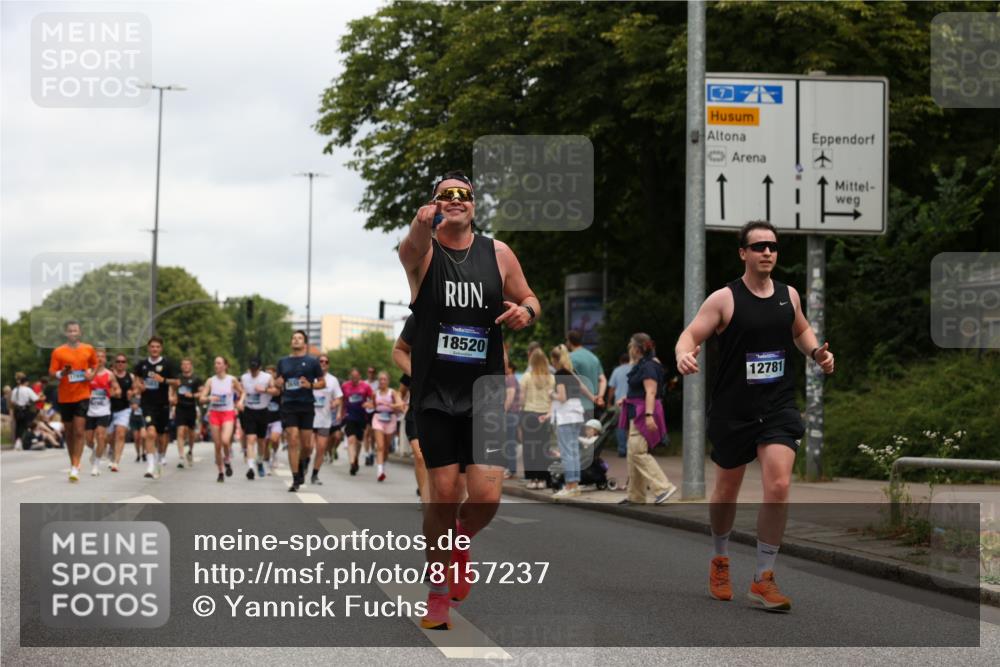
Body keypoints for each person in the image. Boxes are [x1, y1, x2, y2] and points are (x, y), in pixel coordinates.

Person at [400, 170, 539, 630]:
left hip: (486, 391)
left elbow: (529, 296)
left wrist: (527, 311)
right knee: (441, 494)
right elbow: (408, 251)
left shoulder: (497, 253)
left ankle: (460, 539)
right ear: (435, 203)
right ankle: (438, 592)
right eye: (446, 195)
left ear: (475, 204)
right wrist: (423, 223)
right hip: (437, 393)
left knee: (487, 497)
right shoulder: (423, 252)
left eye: (463, 195)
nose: (455, 200)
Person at [675, 220, 835, 612]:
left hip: (777, 406)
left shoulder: (789, 296)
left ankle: (764, 578)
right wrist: (683, 352)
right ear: (743, 253)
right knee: (726, 490)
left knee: (778, 486)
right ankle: (720, 559)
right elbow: (690, 334)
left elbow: (800, 332)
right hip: (734, 410)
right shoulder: (724, 299)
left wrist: (816, 353)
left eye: (773, 247)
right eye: (759, 246)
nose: (767, 252)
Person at [619, 333, 676, 505]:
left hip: (643, 412)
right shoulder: (645, 364)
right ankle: (636, 496)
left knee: (637, 451)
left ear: (637, 348)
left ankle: (663, 487)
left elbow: (651, 391)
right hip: (637, 410)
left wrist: (649, 416)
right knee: (633, 453)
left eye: (630, 346)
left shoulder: (649, 366)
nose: (629, 349)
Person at [48, 320, 98, 482]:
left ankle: (76, 466)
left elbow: (95, 364)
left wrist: (91, 373)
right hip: (65, 396)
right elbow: (51, 372)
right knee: (69, 432)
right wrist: (61, 373)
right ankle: (73, 462)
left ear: (80, 332)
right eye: (70, 331)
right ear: (66, 333)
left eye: (75, 331)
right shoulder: (58, 352)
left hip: (83, 395)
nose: (73, 334)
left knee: (78, 431)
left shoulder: (88, 349)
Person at [275, 330, 325, 492]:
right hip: (289, 405)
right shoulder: (283, 362)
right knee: (293, 439)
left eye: (299, 338)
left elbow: (322, 383)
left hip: (306, 406)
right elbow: (277, 382)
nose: (296, 341)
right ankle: (296, 477)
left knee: (307, 446)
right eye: (294, 338)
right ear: (291, 342)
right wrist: (278, 382)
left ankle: (304, 462)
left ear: (304, 343)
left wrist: (309, 385)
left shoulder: (312, 362)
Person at [549, 344, 597, 499]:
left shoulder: (560, 374)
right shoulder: (572, 372)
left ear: (554, 360)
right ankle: (574, 485)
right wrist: (594, 398)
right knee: (574, 452)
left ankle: (570, 486)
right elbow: (583, 387)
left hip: (566, 416)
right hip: (577, 413)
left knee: (567, 452)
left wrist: (551, 394)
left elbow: (562, 398)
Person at [394, 316, 430, 504]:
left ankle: (428, 489)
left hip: (437, 414)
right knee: (419, 455)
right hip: (414, 415)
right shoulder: (412, 368)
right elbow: (400, 393)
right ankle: (425, 500)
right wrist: (400, 402)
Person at [133, 336, 179, 478]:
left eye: (157, 347)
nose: (154, 349)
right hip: (147, 404)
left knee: (161, 436)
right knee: (150, 433)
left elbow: (177, 382)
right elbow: (136, 378)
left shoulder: (167, 364)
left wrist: (163, 380)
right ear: (148, 348)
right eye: (152, 346)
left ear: (161, 349)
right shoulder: (142, 364)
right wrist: (139, 385)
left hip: (163, 405)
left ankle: (160, 457)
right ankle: (150, 465)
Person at [199, 356, 244, 483]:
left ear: (225, 365)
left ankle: (227, 459)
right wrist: (209, 398)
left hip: (228, 413)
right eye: (215, 363)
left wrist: (240, 402)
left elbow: (242, 392)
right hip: (215, 414)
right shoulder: (210, 381)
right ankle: (220, 472)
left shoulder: (232, 380)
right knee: (217, 445)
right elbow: (202, 397)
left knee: (225, 440)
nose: (216, 366)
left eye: (219, 363)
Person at [519, 348, 555, 490]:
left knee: (529, 447)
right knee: (543, 448)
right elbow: (553, 400)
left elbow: (521, 399)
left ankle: (532, 479)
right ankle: (543, 479)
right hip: (544, 415)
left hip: (529, 415)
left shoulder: (527, 377)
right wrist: (549, 413)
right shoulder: (551, 378)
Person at [83, 349, 120, 476]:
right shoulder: (88, 372)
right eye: (97, 356)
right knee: (88, 440)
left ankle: (96, 465)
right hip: (89, 411)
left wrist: (114, 392)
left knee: (100, 436)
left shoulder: (109, 374)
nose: (100, 359)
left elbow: (117, 390)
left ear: (105, 359)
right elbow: (85, 381)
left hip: (104, 411)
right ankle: (94, 451)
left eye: (102, 357)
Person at [240, 357, 277, 480]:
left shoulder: (266, 377)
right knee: (250, 438)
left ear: (260, 368)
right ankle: (250, 468)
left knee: (261, 441)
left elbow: (276, 391)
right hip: (249, 411)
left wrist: (265, 390)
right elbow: (242, 391)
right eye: (251, 368)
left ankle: (260, 461)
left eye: (255, 368)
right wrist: (240, 401)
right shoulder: (244, 377)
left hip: (263, 411)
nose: (253, 371)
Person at [309, 355, 343, 485]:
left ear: (328, 364)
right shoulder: (309, 377)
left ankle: (315, 475)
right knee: (308, 447)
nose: (323, 363)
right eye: (320, 361)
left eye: (326, 362)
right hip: (309, 418)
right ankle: (304, 465)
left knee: (321, 448)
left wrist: (336, 403)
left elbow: (339, 397)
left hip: (324, 419)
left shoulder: (333, 380)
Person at [371, 371, 404, 482]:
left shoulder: (392, 392)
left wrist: (390, 405)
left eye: (384, 379)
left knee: (386, 448)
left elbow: (401, 404)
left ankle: (383, 465)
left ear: (388, 381)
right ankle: (380, 471)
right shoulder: (375, 393)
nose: (382, 381)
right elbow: (373, 406)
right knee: (380, 446)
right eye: (380, 379)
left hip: (390, 420)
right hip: (378, 419)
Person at [566, 329, 606, 420]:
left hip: (577, 406)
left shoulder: (570, 358)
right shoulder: (593, 357)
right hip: (594, 406)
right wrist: (600, 397)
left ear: (569, 341)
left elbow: (576, 381)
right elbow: (602, 379)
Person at [340, 368, 373, 476]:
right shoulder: (345, 386)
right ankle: (352, 463)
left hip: (362, 417)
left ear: (359, 376)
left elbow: (373, 398)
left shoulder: (365, 386)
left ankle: (356, 458)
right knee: (351, 440)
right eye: (352, 377)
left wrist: (370, 404)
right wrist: (340, 413)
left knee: (359, 442)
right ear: (350, 376)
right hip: (349, 416)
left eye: (356, 377)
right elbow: (341, 400)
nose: (354, 379)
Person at [108, 353, 135, 472]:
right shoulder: (109, 375)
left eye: (123, 361)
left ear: (126, 364)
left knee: (120, 434)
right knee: (109, 436)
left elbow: (136, 388)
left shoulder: (131, 376)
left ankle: (116, 462)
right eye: (118, 361)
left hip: (124, 409)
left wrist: (132, 393)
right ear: (114, 363)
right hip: (107, 409)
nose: (120, 363)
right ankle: (111, 449)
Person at [175, 358, 203, 468]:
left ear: (191, 366)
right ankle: (181, 457)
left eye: (188, 364)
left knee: (191, 433)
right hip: (180, 407)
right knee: (180, 431)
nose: (186, 366)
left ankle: (190, 451)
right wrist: (172, 397)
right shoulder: (177, 378)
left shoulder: (196, 379)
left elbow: (202, 392)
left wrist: (193, 395)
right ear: (181, 366)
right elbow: (172, 389)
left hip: (191, 407)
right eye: (184, 364)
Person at [606, 352, 633, 457]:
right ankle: (632, 448)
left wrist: (609, 402)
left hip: (619, 403)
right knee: (632, 426)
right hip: (633, 401)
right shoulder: (634, 368)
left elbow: (612, 387)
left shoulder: (617, 370)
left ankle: (622, 449)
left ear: (620, 361)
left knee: (620, 426)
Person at [502, 357, 522, 480]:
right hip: (513, 414)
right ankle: (510, 468)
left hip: (510, 414)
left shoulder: (510, 379)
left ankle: (511, 469)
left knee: (509, 442)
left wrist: (503, 411)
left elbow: (510, 396)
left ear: (511, 368)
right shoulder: (512, 379)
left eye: (506, 366)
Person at [10, 373, 40, 449]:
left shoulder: (15, 390)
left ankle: (18, 442)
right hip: (25, 409)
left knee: (18, 426)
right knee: (26, 426)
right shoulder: (28, 389)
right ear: (26, 382)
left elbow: (12, 401)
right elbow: (36, 399)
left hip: (17, 410)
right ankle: (26, 441)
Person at [263, 364, 283, 474]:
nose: (268, 375)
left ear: (275, 374)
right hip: (264, 418)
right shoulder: (261, 385)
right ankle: (267, 461)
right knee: (265, 442)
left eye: (271, 373)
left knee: (274, 439)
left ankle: (274, 454)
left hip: (277, 418)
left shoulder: (279, 386)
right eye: (266, 373)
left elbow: (278, 392)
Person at [362, 366, 378, 466]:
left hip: (375, 410)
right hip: (365, 410)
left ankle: (372, 451)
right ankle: (367, 454)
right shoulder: (364, 383)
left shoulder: (377, 384)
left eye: (372, 372)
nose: (370, 373)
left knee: (372, 434)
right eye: (369, 372)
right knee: (366, 433)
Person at [129, 396, 145, 461]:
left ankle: (143, 453)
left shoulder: (144, 395)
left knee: (143, 437)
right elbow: (129, 406)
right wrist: (132, 406)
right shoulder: (132, 396)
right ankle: (138, 454)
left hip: (142, 419)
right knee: (136, 438)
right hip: (133, 419)